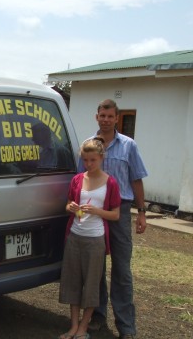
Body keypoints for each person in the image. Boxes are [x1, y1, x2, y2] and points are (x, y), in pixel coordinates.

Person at [83, 99, 148, 339]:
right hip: (94, 213)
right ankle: (96, 316)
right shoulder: (89, 145)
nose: (106, 120)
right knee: (95, 267)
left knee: (121, 269)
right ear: (96, 116)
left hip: (120, 212)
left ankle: (126, 326)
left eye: (110, 116)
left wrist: (141, 212)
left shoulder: (129, 146)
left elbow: (137, 179)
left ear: (116, 118)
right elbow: (82, 178)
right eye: (103, 115)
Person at [58, 137, 121, 339]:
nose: (89, 164)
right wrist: (72, 208)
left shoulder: (110, 182)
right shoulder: (77, 179)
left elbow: (116, 214)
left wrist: (97, 211)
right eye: (85, 160)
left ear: (101, 158)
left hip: (96, 240)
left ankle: (84, 327)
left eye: (93, 160)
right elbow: (68, 205)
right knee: (73, 282)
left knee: (92, 284)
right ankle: (74, 326)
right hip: (75, 236)